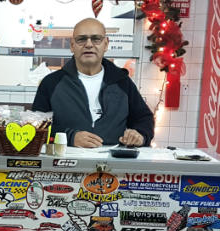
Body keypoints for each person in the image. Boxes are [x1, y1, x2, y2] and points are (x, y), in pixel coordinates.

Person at [32, 17, 154, 148]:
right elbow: (35, 127)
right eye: (81, 39)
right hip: (65, 162)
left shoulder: (122, 82)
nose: (89, 44)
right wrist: (70, 137)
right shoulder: (51, 83)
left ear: (106, 44)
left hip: (114, 163)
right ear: (72, 45)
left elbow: (144, 119)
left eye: (96, 39)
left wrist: (140, 135)